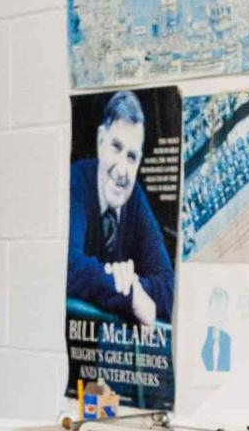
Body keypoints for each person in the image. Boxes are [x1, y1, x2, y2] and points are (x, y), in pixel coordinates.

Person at [67, 91, 171, 327]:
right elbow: (68, 266)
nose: (122, 170)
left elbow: (169, 287)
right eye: (116, 147)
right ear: (101, 140)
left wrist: (133, 283)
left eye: (132, 157)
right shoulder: (77, 181)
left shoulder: (135, 199)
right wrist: (129, 294)